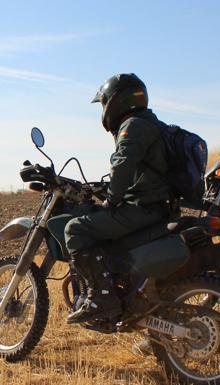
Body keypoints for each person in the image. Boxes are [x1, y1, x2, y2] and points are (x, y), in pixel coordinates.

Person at [64, 73, 172, 323]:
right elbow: (139, 171)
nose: (103, 109)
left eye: (104, 103)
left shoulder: (133, 126)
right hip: (156, 206)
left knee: (76, 229)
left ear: (116, 102)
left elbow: (123, 165)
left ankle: (101, 299)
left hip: (142, 209)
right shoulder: (153, 123)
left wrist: (111, 200)